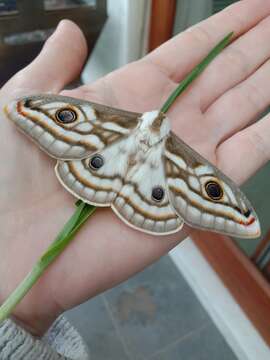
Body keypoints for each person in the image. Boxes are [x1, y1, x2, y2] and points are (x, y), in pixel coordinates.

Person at [1, 0, 270, 358]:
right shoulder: (162, 143)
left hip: (108, 163)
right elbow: (36, 111)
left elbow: (211, 193)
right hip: (142, 180)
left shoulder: (118, 122)